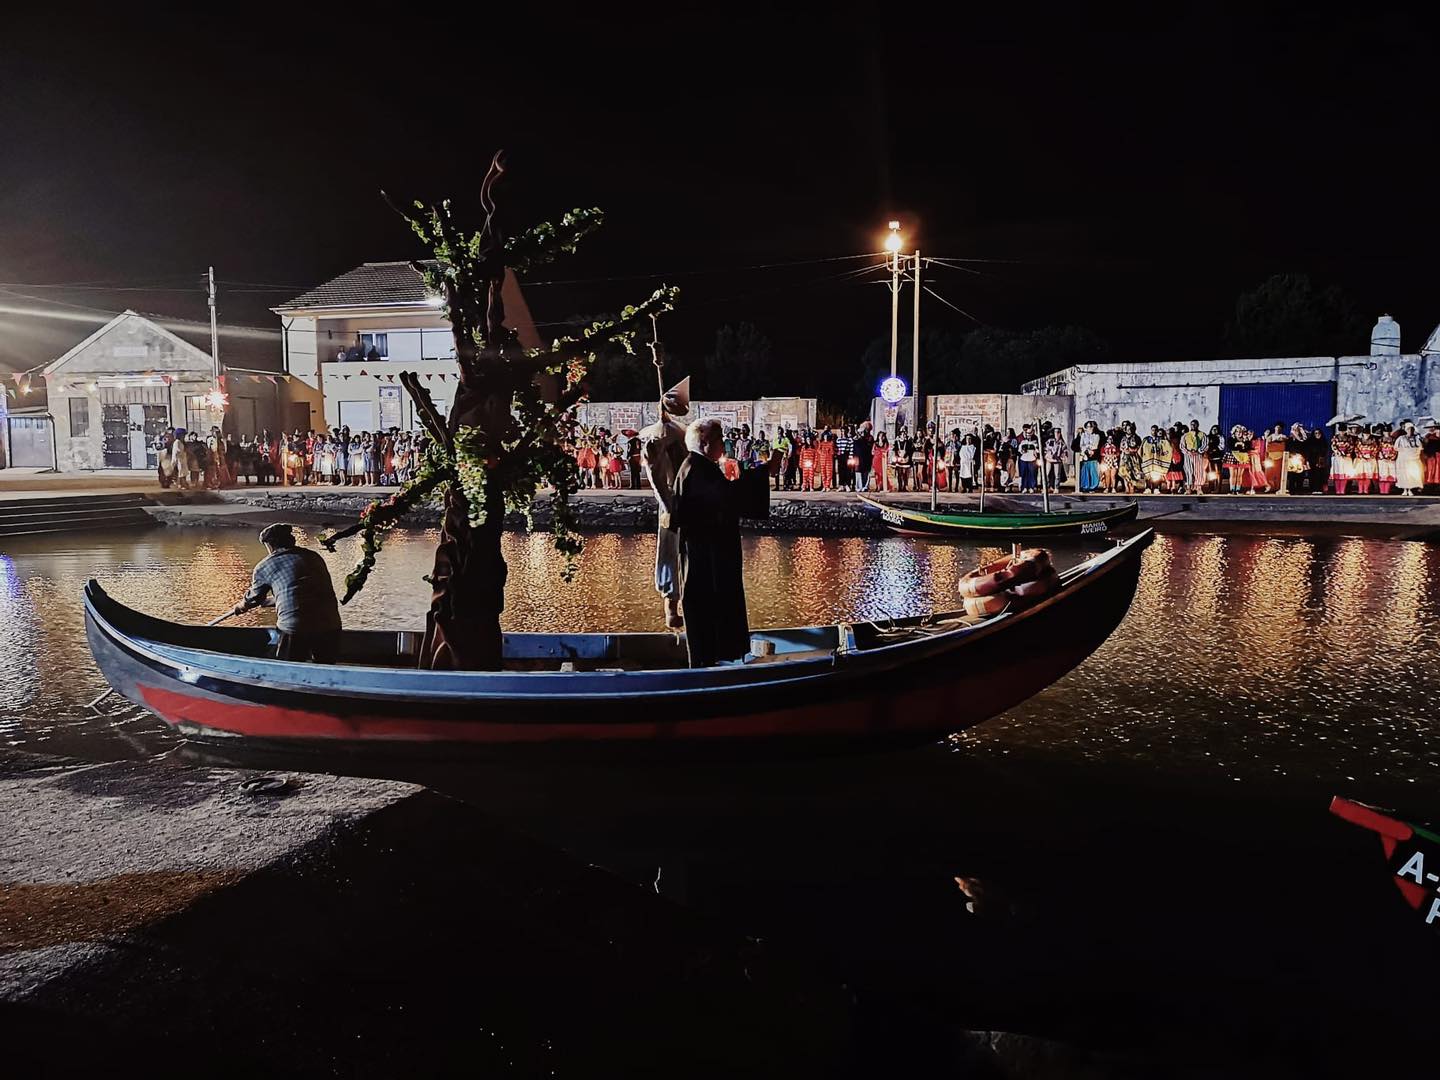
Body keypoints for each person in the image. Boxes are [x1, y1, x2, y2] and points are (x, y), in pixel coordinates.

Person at [671, 418, 772, 667]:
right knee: (708, 613)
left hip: (709, 553)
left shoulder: (699, 467)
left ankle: (717, 659)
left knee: (712, 612)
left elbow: (724, 496)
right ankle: (708, 668)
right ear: (705, 442)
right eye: (719, 439)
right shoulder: (696, 469)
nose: (723, 446)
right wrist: (763, 473)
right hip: (705, 559)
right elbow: (727, 496)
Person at [224, 523, 342, 663]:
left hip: (295, 629)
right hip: (331, 626)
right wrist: (269, 601)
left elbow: (253, 599)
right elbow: (302, 593)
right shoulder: (314, 557)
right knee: (325, 665)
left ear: (270, 545)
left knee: (290, 664)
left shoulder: (265, 566)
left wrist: (241, 606)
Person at [640, 378, 691, 630]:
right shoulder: (664, 438)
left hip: (684, 500)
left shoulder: (678, 434)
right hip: (672, 500)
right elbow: (657, 478)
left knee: (682, 554)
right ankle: (671, 608)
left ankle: (680, 606)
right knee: (671, 553)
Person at [1395, 420, 1424, 495]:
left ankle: (1410, 489)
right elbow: (1396, 447)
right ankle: (1405, 489)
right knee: (1404, 474)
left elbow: (1420, 447)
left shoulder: (1416, 438)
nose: (1410, 431)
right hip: (1404, 459)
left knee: (1411, 474)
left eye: (1411, 429)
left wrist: (1414, 451)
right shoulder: (1401, 438)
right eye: (1408, 429)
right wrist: (1405, 450)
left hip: (1413, 458)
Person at [1180, 420, 1206, 495]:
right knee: (1188, 471)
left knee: (1198, 471)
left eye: (1195, 424)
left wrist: (1199, 451)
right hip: (1188, 456)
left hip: (1198, 455)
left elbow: (1205, 445)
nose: (1193, 426)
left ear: (1198, 425)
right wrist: (1188, 452)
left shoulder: (1202, 435)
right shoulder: (1185, 435)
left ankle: (1198, 488)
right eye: (1192, 424)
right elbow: (1182, 446)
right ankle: (1188, 488)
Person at [853, 423, 874, 493]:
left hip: (867, 457)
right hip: (858, 457)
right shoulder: (856, 438)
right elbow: (855, 446)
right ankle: (859, 487)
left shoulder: (870, 438)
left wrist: (862, 438)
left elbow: (868, 446)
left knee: (866, 472)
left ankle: (865, 486)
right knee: (858, 472)